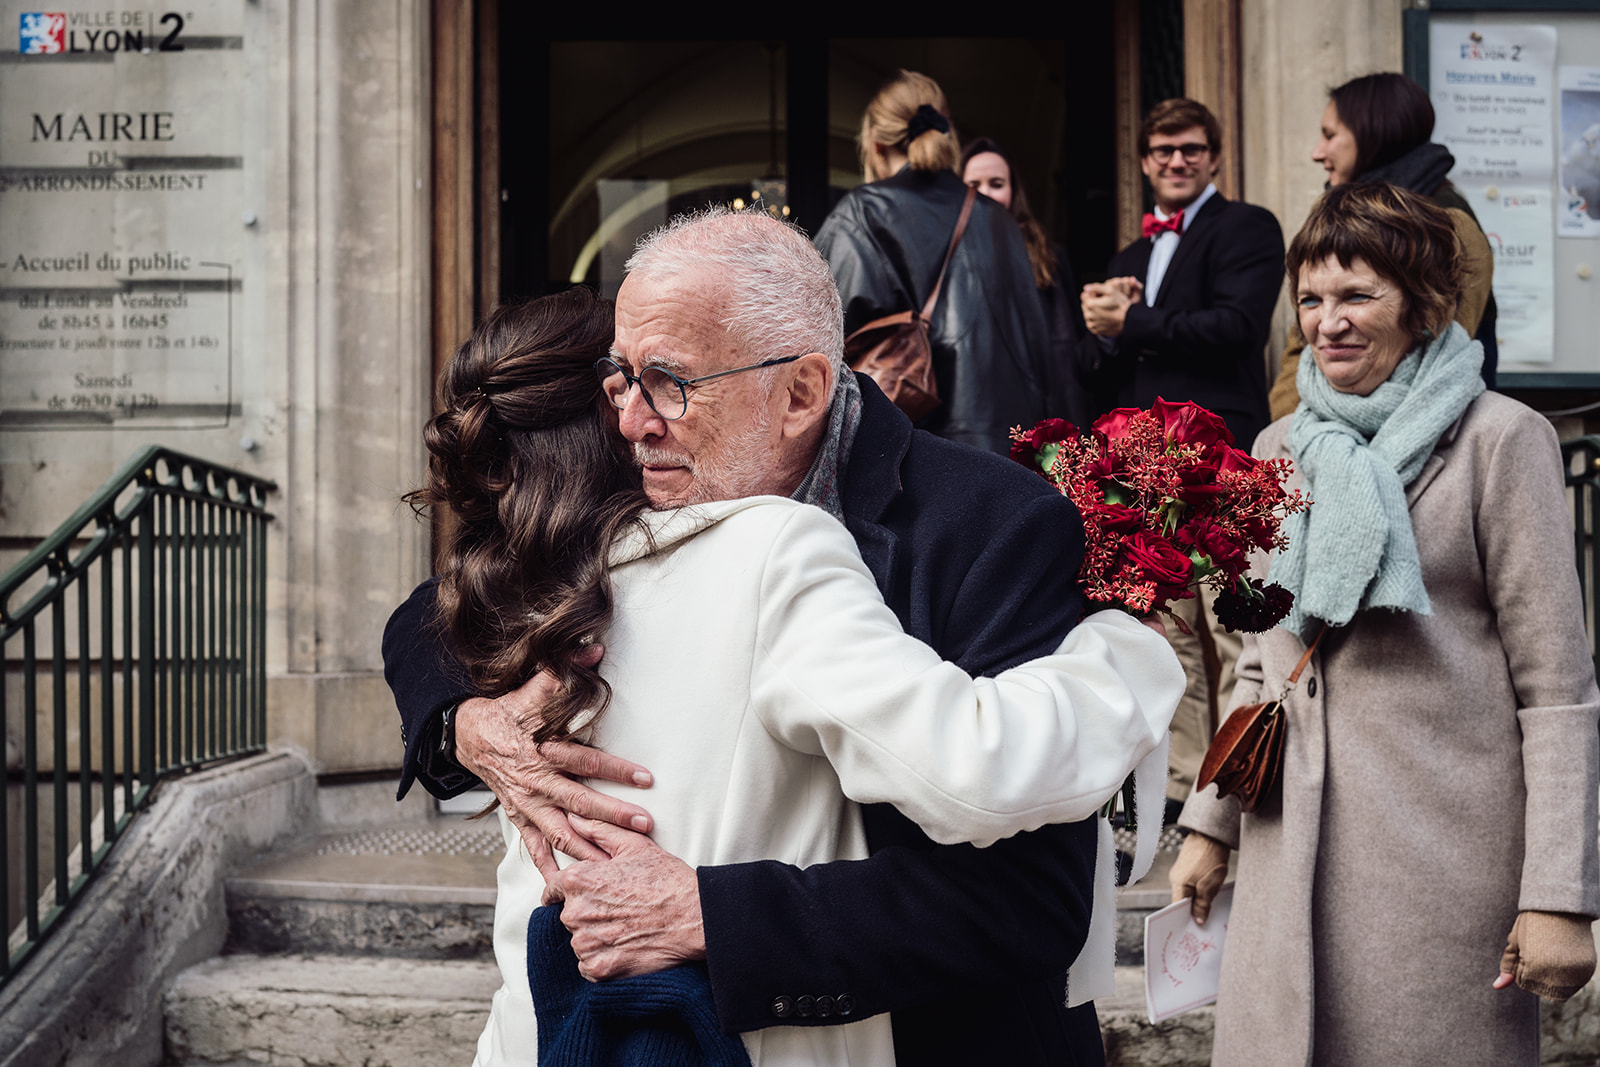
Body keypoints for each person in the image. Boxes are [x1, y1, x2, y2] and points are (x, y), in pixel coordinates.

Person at [384, 206, 1153, 1065]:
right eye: (620, 377)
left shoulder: (992, 523)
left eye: (669, 381)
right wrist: (464, 722)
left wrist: (711, 916)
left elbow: (1030, 901)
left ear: (800, 394)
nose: (632, 420)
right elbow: (439, 604)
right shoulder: (643, 478)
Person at [1170, 182, 1599, 1066]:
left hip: (1438, 872)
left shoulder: (1499, 439)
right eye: (1311, 299)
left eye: (1357, 295)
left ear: (1422, 301)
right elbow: (1260, 660)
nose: (1327, 322)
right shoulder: (1277, 449)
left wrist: (1560, 895)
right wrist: (1209, 827)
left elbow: (1557, 690)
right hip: (1286, 860)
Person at [1078, 97, 1285, 817]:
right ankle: (1185, 787)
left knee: (1234, 625)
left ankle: (1240, 785)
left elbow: (1237, 327)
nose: (1177, 161)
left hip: (1219, 456)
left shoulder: (1247, 227)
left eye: (1191, 148)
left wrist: (1133, 319)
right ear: (1144, 161)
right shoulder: (1130, 258)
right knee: (1170, 628)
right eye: (1163, 150)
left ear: (1214, 156)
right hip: (1144, 464)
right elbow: (1100, 372)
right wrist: (1102, 330)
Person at [813, 69, 1051, 455]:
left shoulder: (862, 214)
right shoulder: (1000, 221)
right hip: (1007, 456)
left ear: (876, 144)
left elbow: (815, 340)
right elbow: (1038, 351)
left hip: (908, 462)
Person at [1269, 71, 1498, 418]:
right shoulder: (1334, 218)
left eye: (1330, 135)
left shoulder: (1449, 224)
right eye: (1311, 300)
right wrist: (1289, 432)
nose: (1318, 152)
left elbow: (1438, 353)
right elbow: (1299, 349)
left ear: (1374, 135)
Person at [961, 135, 1092, 428]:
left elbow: (1070, 352)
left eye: (997, 184)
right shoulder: (943, 259)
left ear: (1013, 191)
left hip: (1039, 410)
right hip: (973, 414)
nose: (985, 194)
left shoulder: (1047, 256)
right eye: (973, 185)